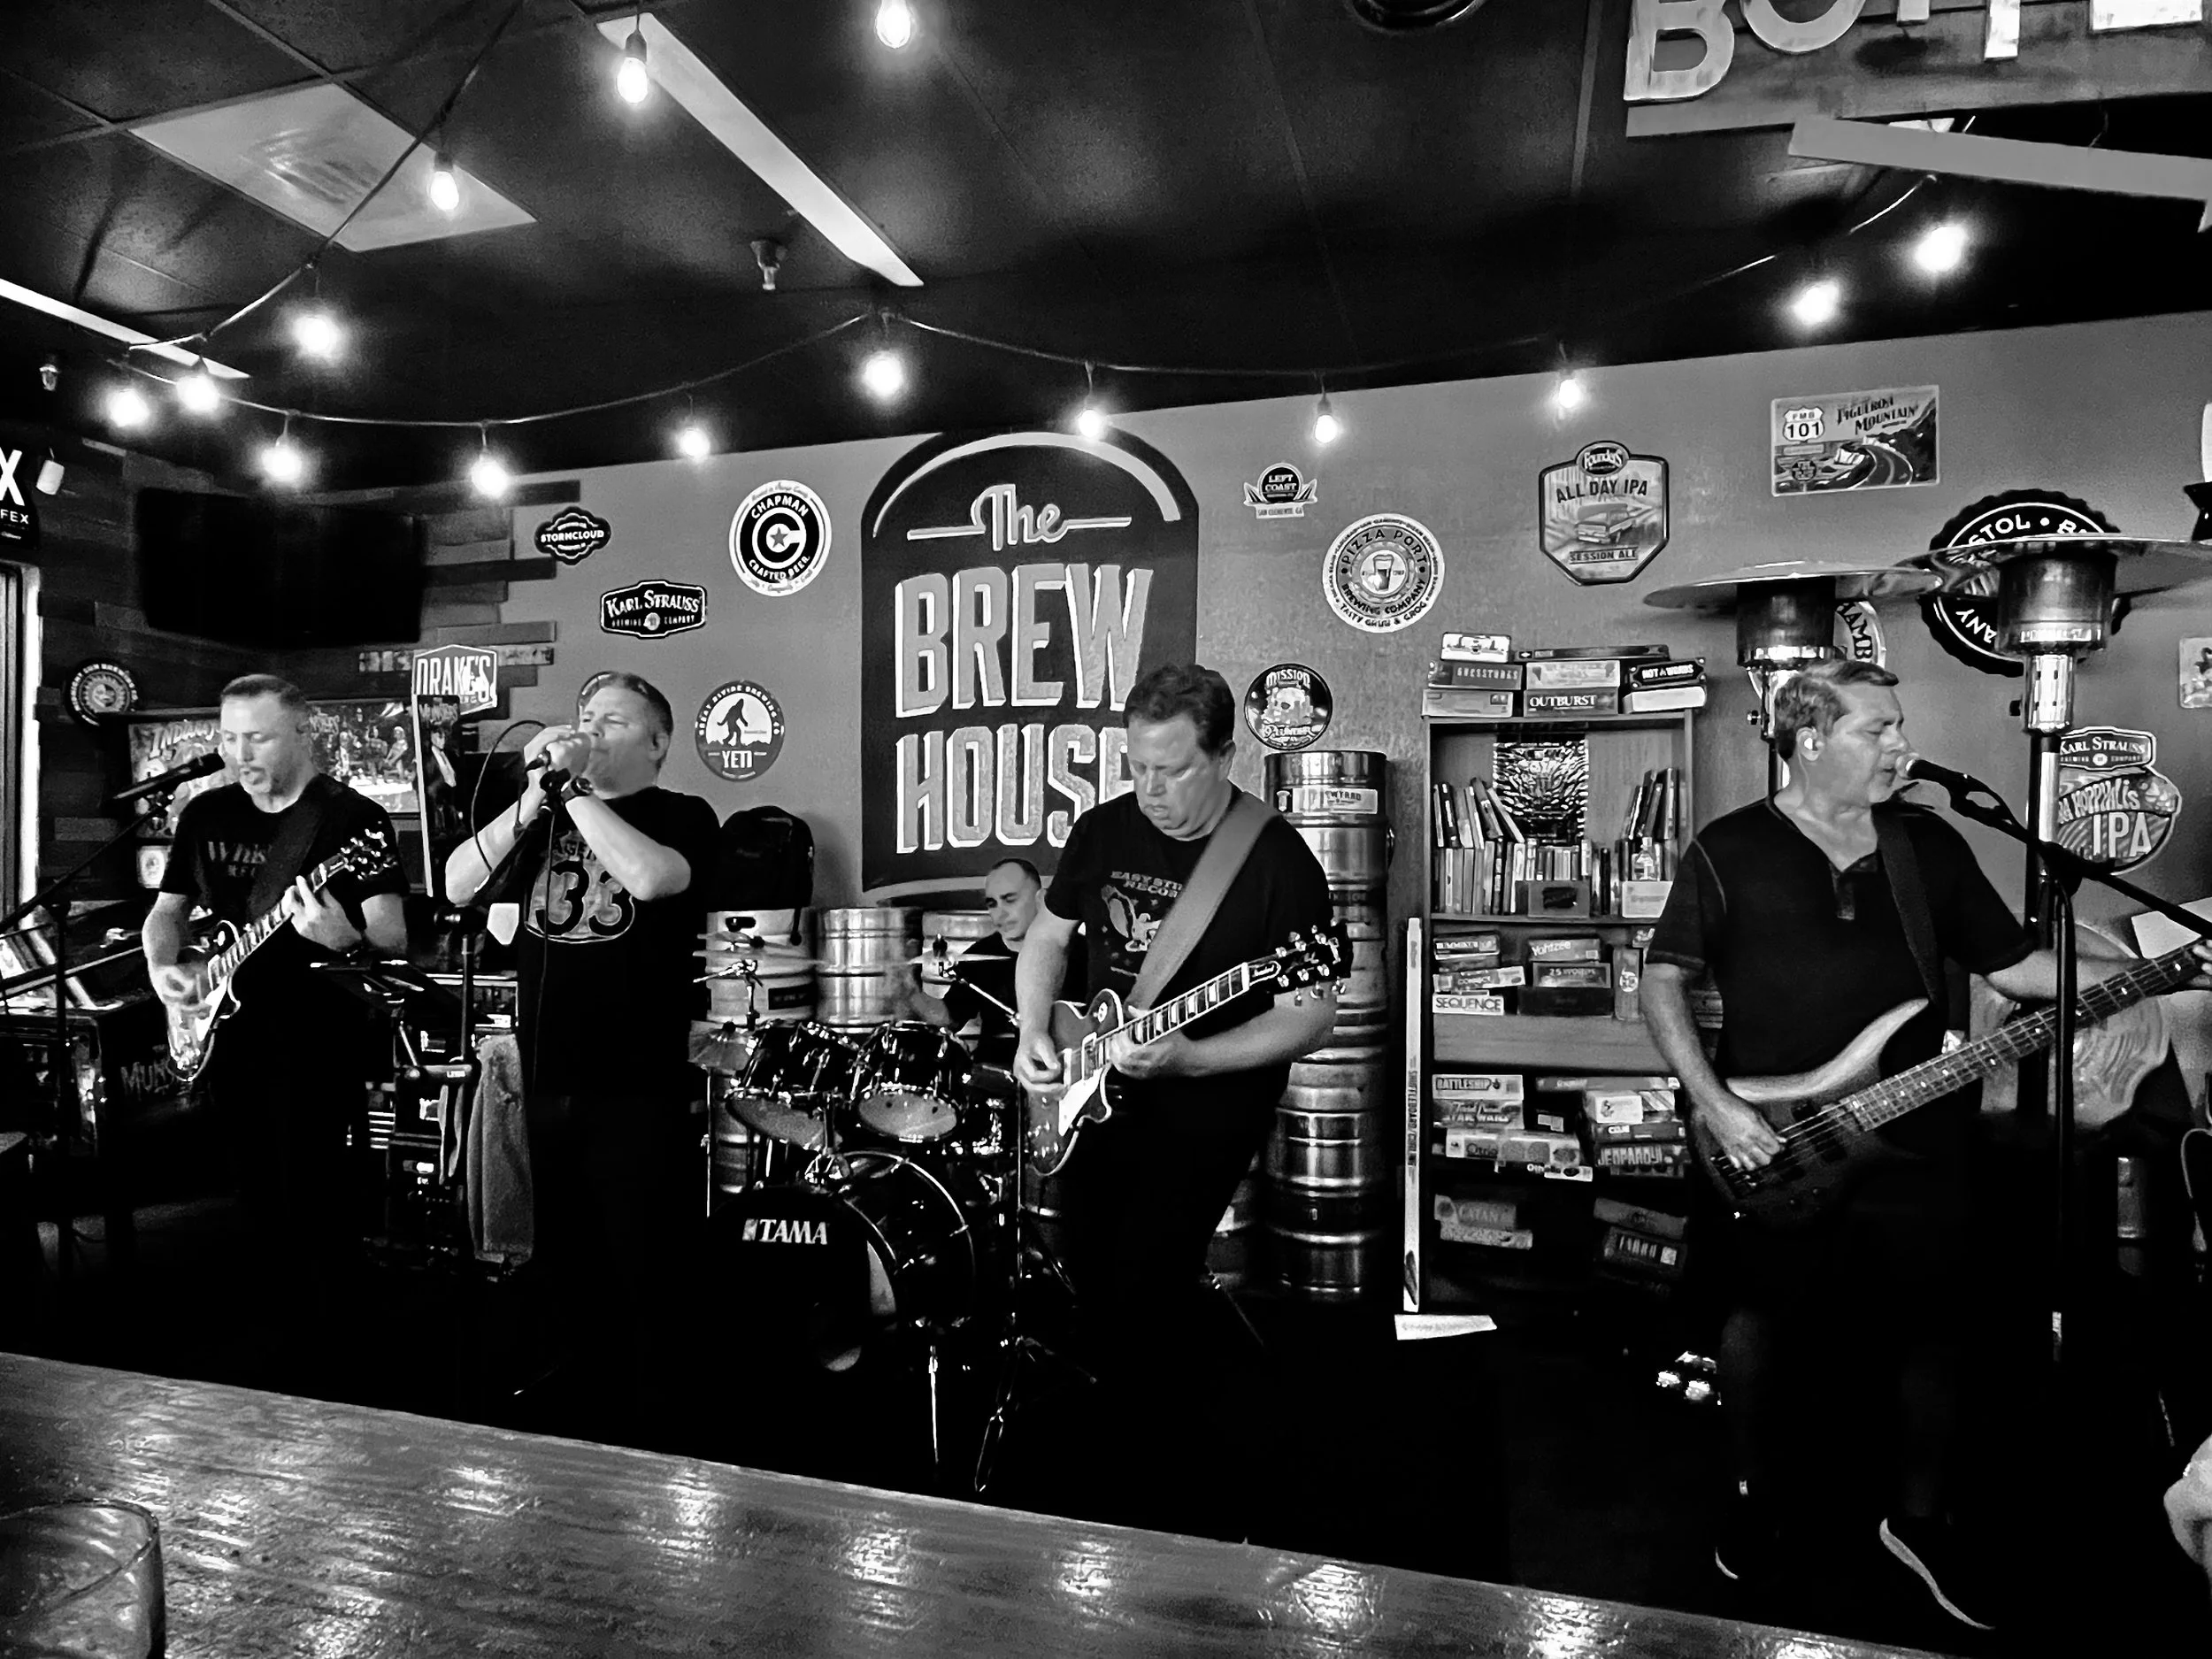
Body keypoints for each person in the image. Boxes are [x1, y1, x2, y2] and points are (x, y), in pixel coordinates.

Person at [1640, 658, 2212, 1632]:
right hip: (1775, 1133)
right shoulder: (1727, 848)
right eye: (1878, 729)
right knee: (1759, 1323)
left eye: (1898, 726)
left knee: (1933, 1328)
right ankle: (1757, 1503)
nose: (1900, 745)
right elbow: (1663, 978)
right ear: (1809, 740)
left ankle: (1917, 1522)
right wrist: (1716, 1104)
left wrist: (2157, 973)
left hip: (1922, 1137)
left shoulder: (1928, 844)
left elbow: (2016, 964)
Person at [1013, 663, 1338, 1532]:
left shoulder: (1274, 861)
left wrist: (1194, 1059)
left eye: (1174, 769)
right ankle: (1143, 1444)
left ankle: (1160, 1491)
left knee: (1145, 1281)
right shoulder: (1101, 830)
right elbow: (1047, 937)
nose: (1151, 790)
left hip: (1204, 1105)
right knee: (1090, 1272)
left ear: (1225, 754)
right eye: (1138, 767)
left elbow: (1311, 1012)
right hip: (1095, 1087)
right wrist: (1030, 1031)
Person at [443, 672, 719, 1440]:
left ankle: (661, 1427)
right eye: (585, 716)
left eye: (614, 722)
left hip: (636, 1085)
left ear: (659, 743)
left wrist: (570, 795)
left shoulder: (685, 815)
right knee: (567, 1265)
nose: (591, 730)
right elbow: (457, 881)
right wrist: (532, 801)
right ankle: (585, 1418)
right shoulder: (546, 814)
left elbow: (651, 877)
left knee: (644, 1266)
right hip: (548, 1077)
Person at [142, 675, 408, 1289]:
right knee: (248, 1186)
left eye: (257, 738)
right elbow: (167, 912)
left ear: (302, 731)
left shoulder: (352, 820)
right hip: (230, 1031)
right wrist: (164, 969)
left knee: (310, 1190)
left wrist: (344, 937)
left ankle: (326, 1326)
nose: (240, 754)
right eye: (231, 738)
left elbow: (392, 937)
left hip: (314, 1033)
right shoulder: (206, 811)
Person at [897, 857, 1066, 1068]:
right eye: (992, 904)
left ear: (1041, 899)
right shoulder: (981, 955)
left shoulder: (1077, 952)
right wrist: (909, 990)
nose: (999, 914)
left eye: (1010, 900)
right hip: (994, 1078)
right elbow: (948, 1019)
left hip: (1062, 1074)